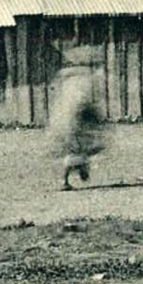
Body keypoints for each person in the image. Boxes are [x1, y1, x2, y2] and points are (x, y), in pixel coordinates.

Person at [51, 58, 107, 190]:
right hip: (73, 121)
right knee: (74, 150)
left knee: (81, 149)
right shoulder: (77, 84)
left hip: (75, 120)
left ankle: (80, 168)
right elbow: (79, 105)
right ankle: (66, 178)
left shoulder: (75, 82)